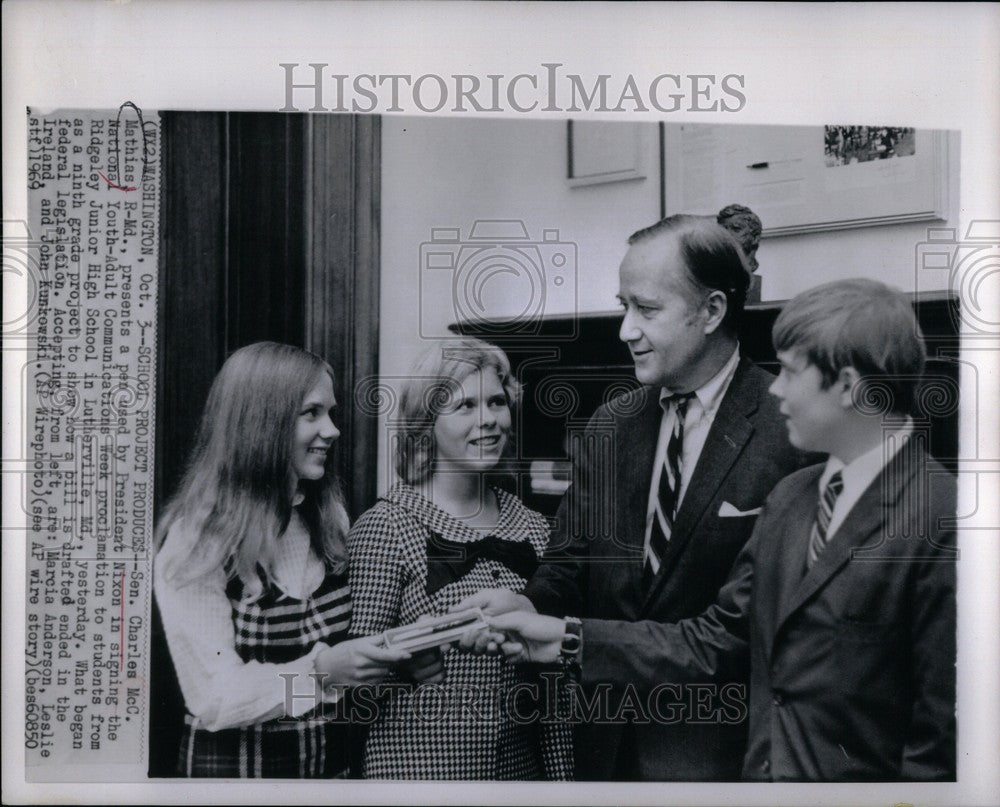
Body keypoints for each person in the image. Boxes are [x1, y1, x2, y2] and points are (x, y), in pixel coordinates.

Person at [473, 279, 956, 781]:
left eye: (790, 372)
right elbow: (714, 641)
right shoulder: (791, 498)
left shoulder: (944, 522)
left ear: (850, 386)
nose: (774, 388)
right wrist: (563, 637)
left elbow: (938, 745)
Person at [460, 214, 810, 780]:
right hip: (601, 747)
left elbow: (746, 633)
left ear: (713, 311)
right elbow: (568, 563)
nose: (625, 329)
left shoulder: (787, 431)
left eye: (646, 310)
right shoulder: (612, 423)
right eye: (623, 305)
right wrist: (527, 606)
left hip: (721, 762)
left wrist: (572, 637)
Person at [154, 342, 411, 778]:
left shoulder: (327, 519)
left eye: (330, 413)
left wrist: (400, 662)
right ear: (261, 423)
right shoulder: (198, 537)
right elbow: (214, 700)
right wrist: (321, 674)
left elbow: (349, 669)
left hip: (330, 779)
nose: (333, 430)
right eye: (311, 413)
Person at [346, 338, 573, 780]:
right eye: (465, 406)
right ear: (425, 424)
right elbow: (356, 687)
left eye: (496, 402)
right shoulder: (387, 527)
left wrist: (561, 785)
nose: (488, 419)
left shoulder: (537, 529)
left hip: (519, 783)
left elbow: (554, 689)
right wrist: (407, 660)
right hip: (415, 782)